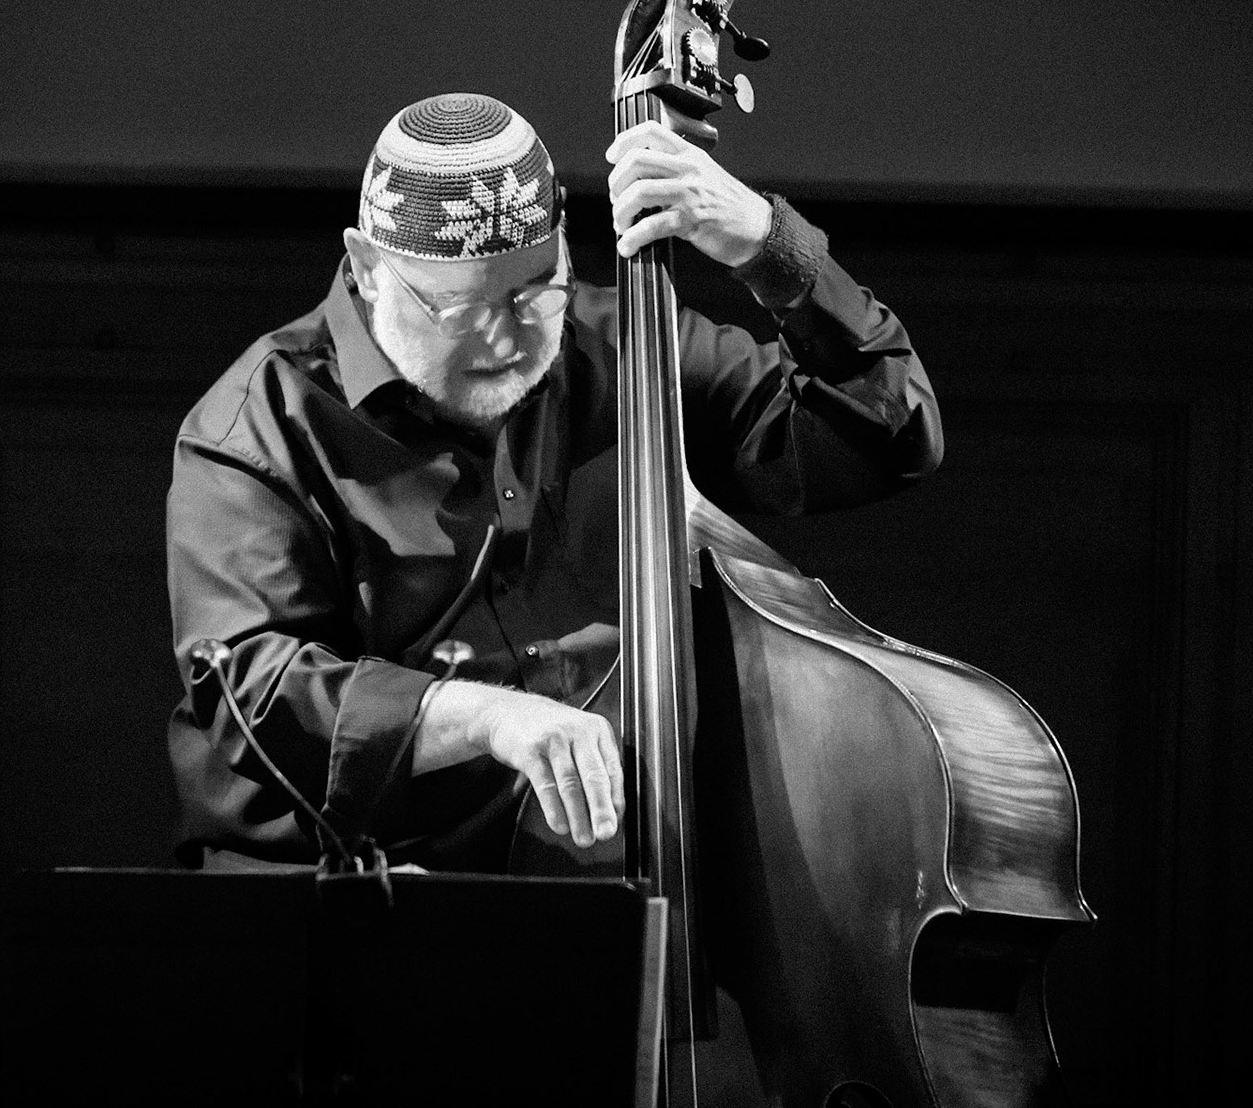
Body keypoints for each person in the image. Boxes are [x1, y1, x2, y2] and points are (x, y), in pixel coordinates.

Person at [166, 92, 941, 872]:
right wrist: (481, 716)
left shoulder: (626, 346)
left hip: (605, 891)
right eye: (464, 309)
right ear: (369, 269)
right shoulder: (258, 422)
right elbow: (249, 689)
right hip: (346, 895)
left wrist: (770, 248)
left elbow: (888, 438)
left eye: (538, 291)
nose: (511, 339)